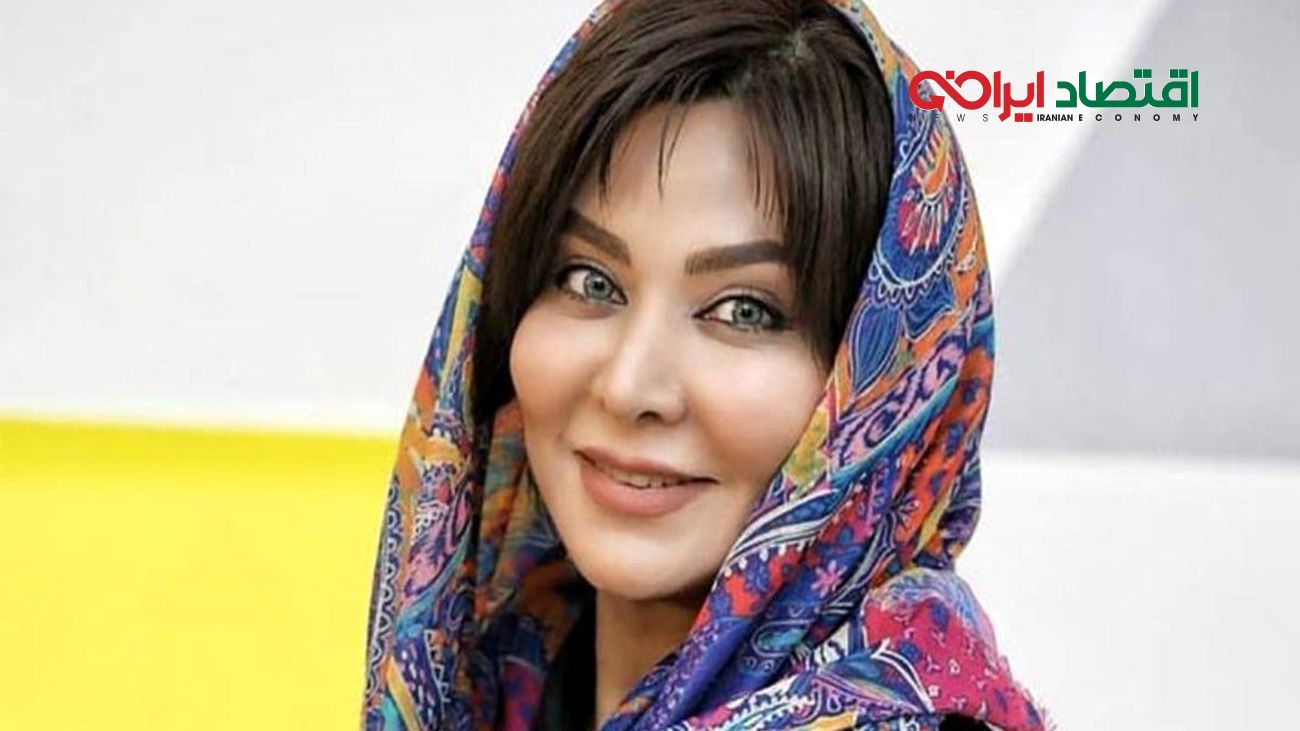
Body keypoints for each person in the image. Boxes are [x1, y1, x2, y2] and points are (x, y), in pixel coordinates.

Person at [360, 1, 1051, 729]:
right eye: (589, 281)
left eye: (744, 310)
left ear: (889, 387)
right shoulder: (494, 683)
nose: (629, 385)